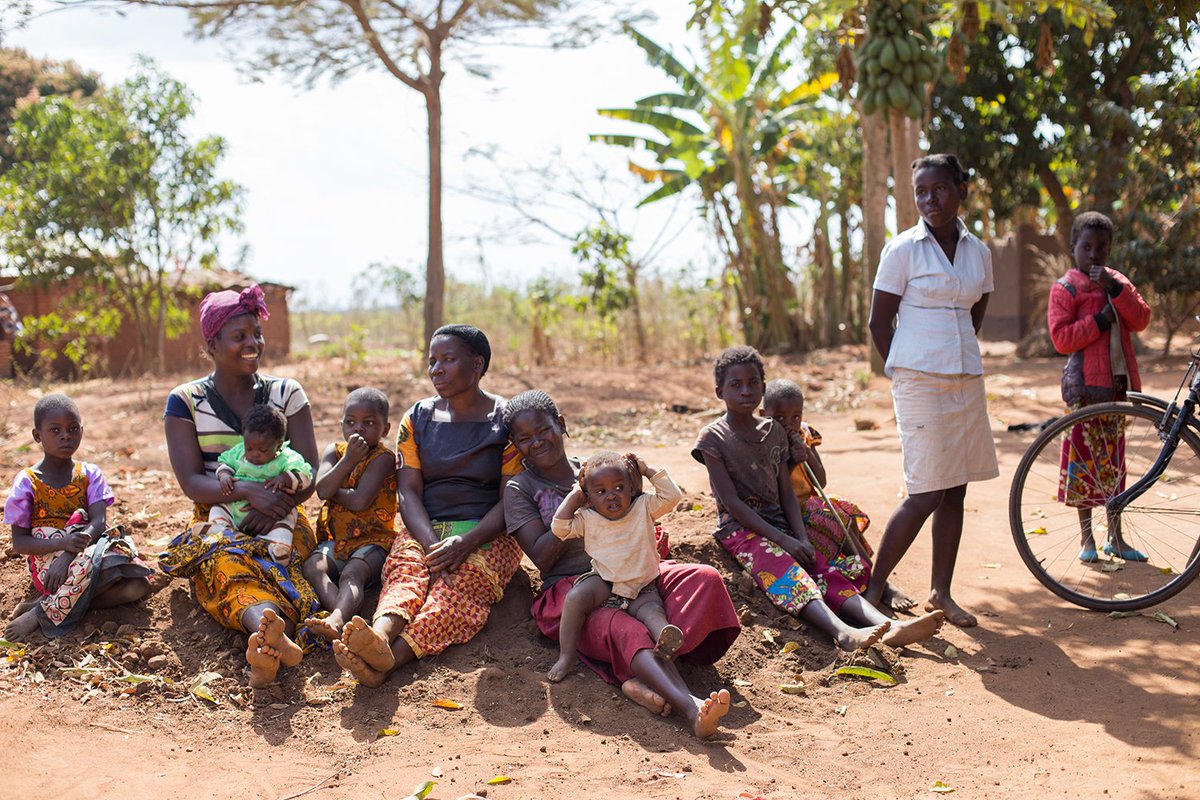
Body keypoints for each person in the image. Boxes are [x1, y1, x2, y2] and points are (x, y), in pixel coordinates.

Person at [504, 389, 736, 739]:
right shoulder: (520, 489)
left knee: (703, 579)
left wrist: (634, 475)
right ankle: (691, 708)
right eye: (524, 439)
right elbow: (540, 555)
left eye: (543, 430)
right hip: (574, 589)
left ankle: (638, 679)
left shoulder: (604, 468)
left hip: (633, 574)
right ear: (515, 445)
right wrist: (580, 496)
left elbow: (647, 506)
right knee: (626, 627)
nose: (536, 442)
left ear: (561, 425)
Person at [693, 347, 944, 650]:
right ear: (719, 390)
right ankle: (842, 632)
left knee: (825, 571)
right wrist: (784, 541)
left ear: (763, 385)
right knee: (787, 573)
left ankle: (886, 626)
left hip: (783, 524)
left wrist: (800, 536)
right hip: (741, 531)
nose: (746, 390)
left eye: (753, 382)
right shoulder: (713, 438)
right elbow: (731, 503)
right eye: (736, 384)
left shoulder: (774, 431)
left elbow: (786, 491)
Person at [332, 325, 522, 685]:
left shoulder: (506, 420)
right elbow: (408, 492)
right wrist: (430, 544)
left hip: (488, 532)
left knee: (457, 589)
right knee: (406, 571)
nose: (436, 369)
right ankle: (381, 636)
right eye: (432, 361)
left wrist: (466, 543)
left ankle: (389, 662)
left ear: (477, 364)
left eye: (448, 360)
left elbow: (511, 498)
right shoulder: (417, 418)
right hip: (426, 526)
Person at [160, 284, 322, 688]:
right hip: (219, 515)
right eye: (239, 337)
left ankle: (266, 641)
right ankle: (269, 631)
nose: (253, 343)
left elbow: (310, 470)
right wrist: (248, 493)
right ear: (212, 343)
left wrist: (273, 502)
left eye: (257, 334)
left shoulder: (287, 393)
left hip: (284, 511)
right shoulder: (186, 401)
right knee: (223, 559)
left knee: (281, 559)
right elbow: (192, 482)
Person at [865, 153, 1000, 628]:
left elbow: (974, 313)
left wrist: (953, 353)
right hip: (918, 381)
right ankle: (873, 588)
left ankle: (940, 593)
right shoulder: (902, 250)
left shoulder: (978, 252)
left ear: (961, 190)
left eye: (939, 189)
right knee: (925, 491)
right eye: (921, 192)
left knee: (956, 490)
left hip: (964, 378)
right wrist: (904, 369)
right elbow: (879, 322)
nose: (929, 200)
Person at [1047, 211, 1152, 562]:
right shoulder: (1065, 287)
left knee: (1114, 467)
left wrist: (1115, 290)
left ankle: (1116, 538)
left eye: (1101, 247)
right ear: (1073, 247)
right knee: (1083, 465)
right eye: (1086, 246)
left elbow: (1141, 318)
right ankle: (1086, 540)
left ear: (1109, 250)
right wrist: (1099, 320)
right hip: (1082, 391)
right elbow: (1061, 338)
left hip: (1116, 390)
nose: (1094, 254)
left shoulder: (1117, 281)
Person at [4, 394, 150, 639]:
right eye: (55, 430)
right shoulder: (27, 482)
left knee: (138, 585)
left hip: (85, 551)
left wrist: (70, 552)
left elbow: (98, 523)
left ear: (82, 431)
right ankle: (42, 615)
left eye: (73, 429)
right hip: (50, 564)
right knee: (114, 574)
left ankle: (44, 607)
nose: (65, 436)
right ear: (37, 436)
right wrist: (62, 546)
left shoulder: (90, 474)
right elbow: (20, 543)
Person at [548, 451, 684, 682]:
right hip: (604, 581)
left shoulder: (644, 506)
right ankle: (566, 655)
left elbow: (672, 497)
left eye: (619, 487)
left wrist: (647, 469)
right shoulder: (587, 517)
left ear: (631, 488)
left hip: (643, 585)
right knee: (575, 598)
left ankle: (665, 639)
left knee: (652, 612)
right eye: (601, 491)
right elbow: (559, 528)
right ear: (588, 497)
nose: (611, 496)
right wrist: (575, 496)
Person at [304, 387, 397, 640]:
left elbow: (359, 501)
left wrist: (334, 486)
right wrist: (347, 461)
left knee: (352, 573)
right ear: (341, 424)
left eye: (369, 423)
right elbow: (321, 489)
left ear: (385, 429)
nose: (359, 429)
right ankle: (341, 616)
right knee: (313, 566)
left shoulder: (383, 458)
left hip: (375, 541)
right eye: (351, 422)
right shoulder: (334, 452)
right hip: (339, 541)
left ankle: (337, 617)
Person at [212, 404, 313, 565]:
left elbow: (305, 475)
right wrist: (224, 475)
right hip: (237, 505)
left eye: (263, 450)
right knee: (218, 508)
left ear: (278, 445)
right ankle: (219, 532)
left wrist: (285, 478)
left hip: (274, 511)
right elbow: (225, 462)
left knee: (288, 517)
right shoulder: (238, 452)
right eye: (249, 448)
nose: (254, 454)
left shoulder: (287, 458)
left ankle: (278, 546)